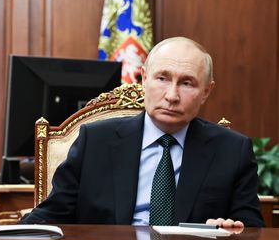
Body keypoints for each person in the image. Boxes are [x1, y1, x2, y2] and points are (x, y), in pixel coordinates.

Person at [21, 36, 264, 228]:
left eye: (187, 83)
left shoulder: (232, 151)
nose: (172, 95)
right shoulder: (95, 141)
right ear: (144, 78)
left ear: (206, 92)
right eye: (162, 78)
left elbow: (249, 227)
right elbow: (51, 215)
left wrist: (231, 229)